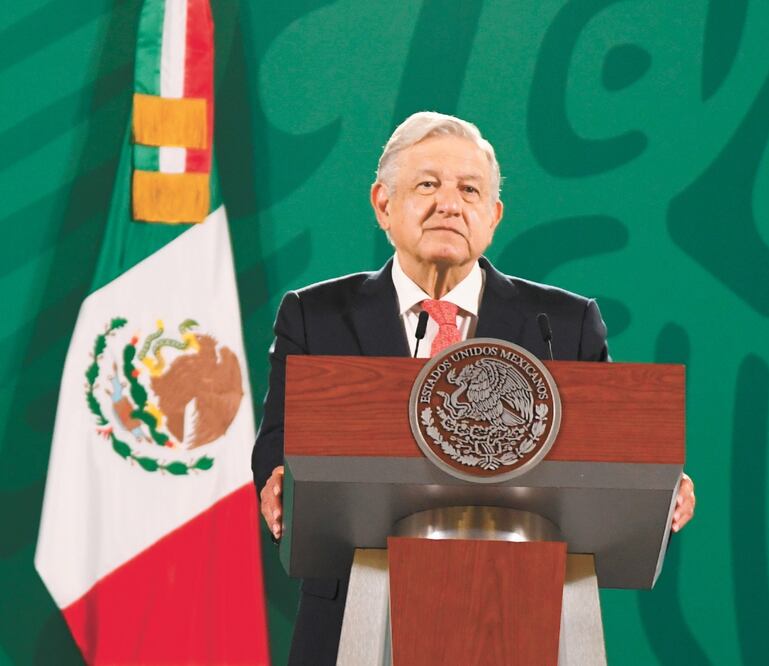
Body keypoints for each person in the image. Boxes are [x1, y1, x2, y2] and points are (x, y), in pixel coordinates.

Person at [252, 111, 696, 665]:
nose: (449, 204)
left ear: (493, 216)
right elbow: (278, 447)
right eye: (427, 185)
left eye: (469, 190)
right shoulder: (316, 315)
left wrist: (659, 487)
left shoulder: (563, 324)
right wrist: (279, 482)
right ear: (384, 205)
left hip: (523, 612)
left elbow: (612, 455)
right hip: (356, 615)